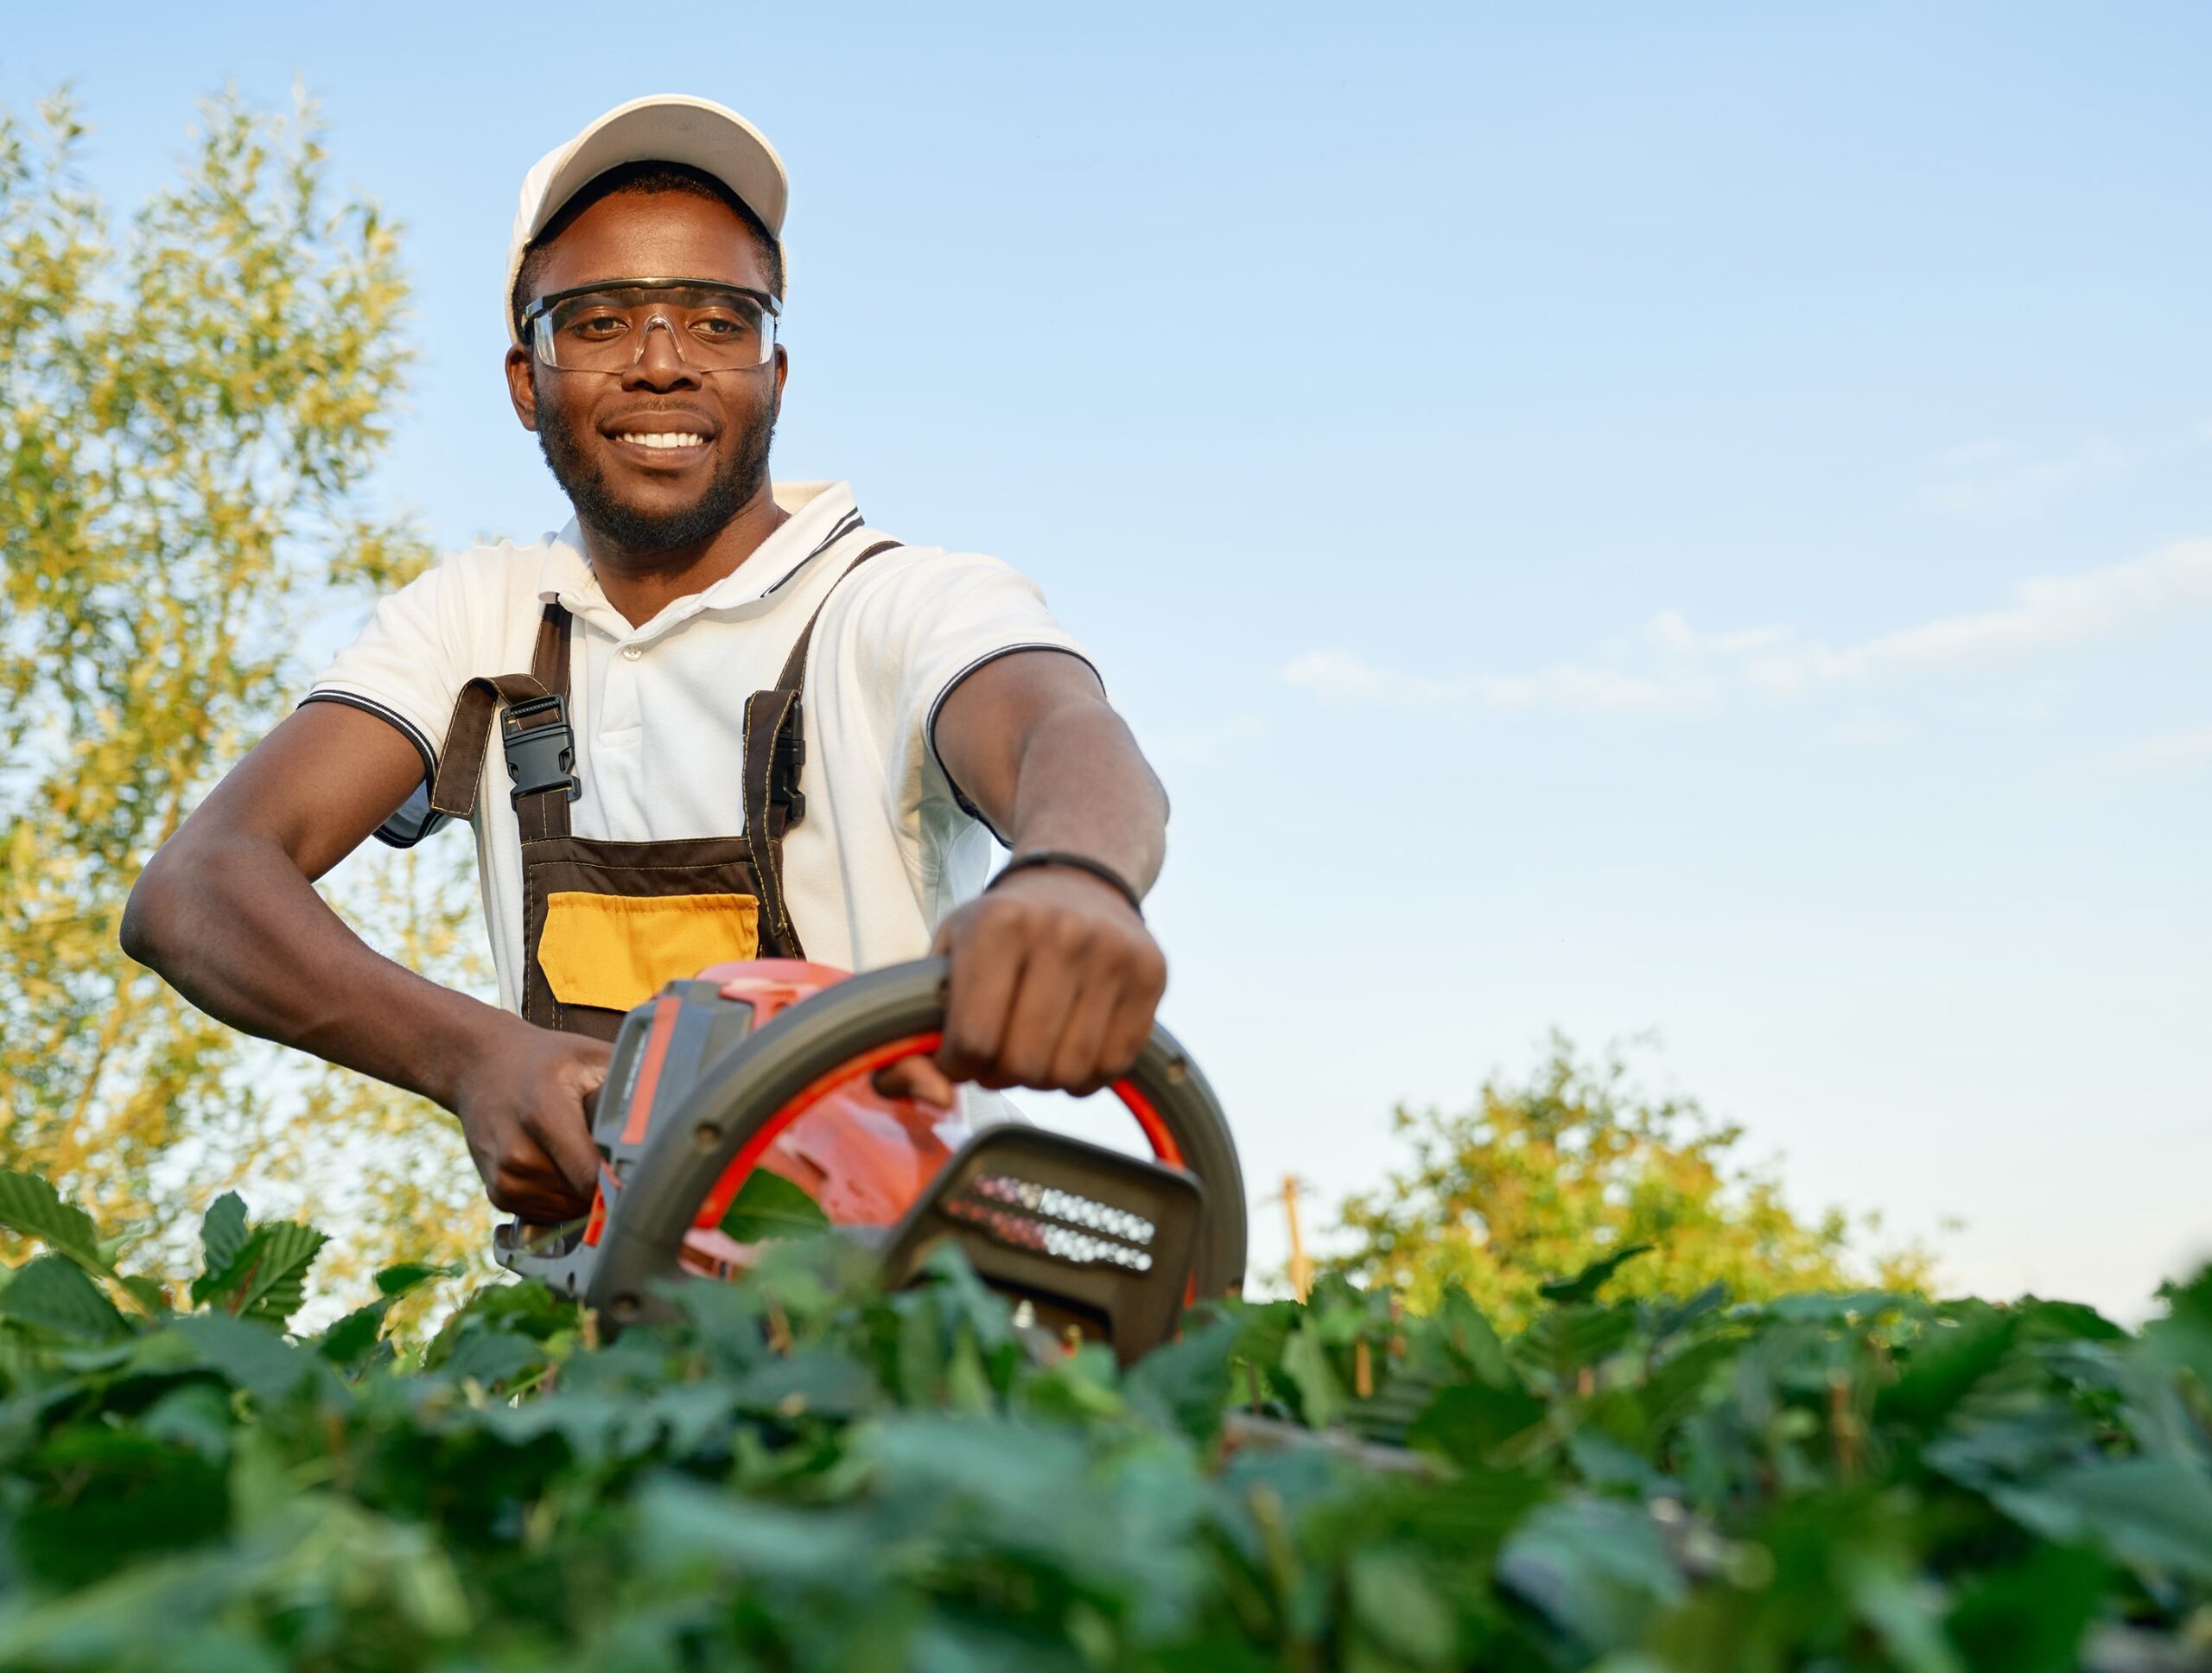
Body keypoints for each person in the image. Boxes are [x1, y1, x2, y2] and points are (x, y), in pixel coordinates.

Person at [122, 94, 1171, 1226]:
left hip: (917, 1309)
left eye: (721, 322)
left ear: (775, 371)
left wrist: (1076, 877)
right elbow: (198, 889)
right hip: (614, 1350)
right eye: (600, 320)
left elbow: (1061, 731)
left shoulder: (896, 602)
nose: (663, 365)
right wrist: (474, 1057)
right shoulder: (480, 622)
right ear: (527, 379)